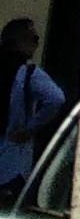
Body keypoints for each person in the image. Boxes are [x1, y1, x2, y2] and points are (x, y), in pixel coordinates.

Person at [0, 23, 62, 208]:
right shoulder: (28, 74)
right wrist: (30, 128)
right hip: (13, 161)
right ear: (18, 42)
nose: (36, 44)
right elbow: (56, 98)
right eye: (33, 39)